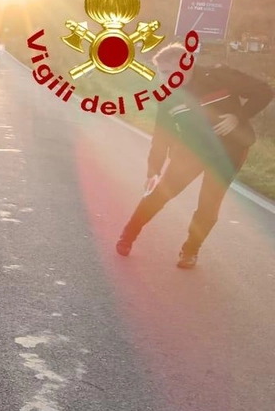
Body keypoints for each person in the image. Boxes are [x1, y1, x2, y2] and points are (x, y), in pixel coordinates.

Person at [116, 43, 272, 268]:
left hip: (229, 152)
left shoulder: (219, 76)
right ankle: (128, 235)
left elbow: (264, 91)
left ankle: (190, 251)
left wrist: (239, 116)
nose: (164, 78)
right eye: (161, 73)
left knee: (209, 206)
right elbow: (162, 136)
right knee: (159, 194)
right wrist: (154, 169)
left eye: (168, 72)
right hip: (192, 150)